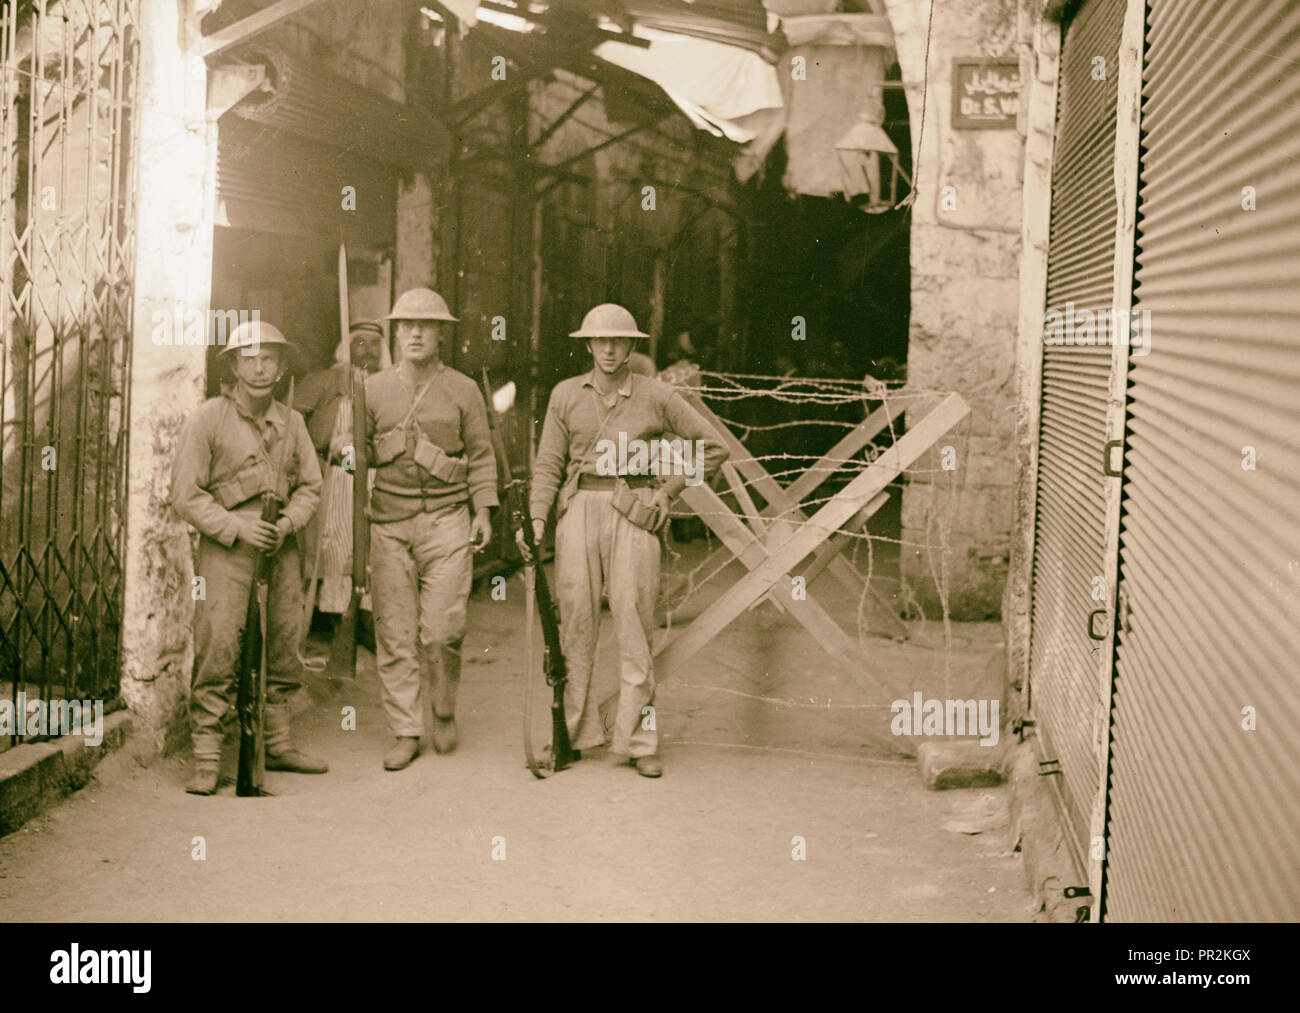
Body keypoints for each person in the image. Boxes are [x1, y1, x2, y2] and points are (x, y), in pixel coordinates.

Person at [520, 303, 728, 777]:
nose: (609, 348)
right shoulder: (566, 395)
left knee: (635, 625)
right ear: (588, 345)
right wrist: (537, 520)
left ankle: (640, 739)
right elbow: (549, 464)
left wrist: (667, 491)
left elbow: (714, 446)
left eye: (619, 340)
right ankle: (568, 735)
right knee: (574, 626)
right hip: (579, 513)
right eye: (600, 340)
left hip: (633, 510)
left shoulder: (657, 395)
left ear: (632, 345)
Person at [171, 320, 327, 795]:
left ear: (281, 368)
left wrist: (286, 526)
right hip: (228, 549)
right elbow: (186, 496)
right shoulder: (208, 419)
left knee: (282, 645)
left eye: (270, 359)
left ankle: (276, 743)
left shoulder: (293, 423)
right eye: (250, 359)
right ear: (234, 366)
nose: (260, 369)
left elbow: (311, 487)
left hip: (280, 548)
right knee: (219, 644)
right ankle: (206, 755)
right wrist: (238, 528)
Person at [363, 287, 498, 771]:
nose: (415, 333)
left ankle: (442, 709)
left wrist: (483, 511)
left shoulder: (463, 389)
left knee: (442, 629)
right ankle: (405, 729)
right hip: (390, 523)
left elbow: (481, 454)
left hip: (447, 520)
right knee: (395, 633)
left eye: (426, 325)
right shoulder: (371, 389)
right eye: (406, 325)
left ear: (442, 333)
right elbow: (350, 457)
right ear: (396, 333)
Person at [294, 321, 385, 629]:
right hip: (339, 475)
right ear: (346, 346)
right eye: (361, 342)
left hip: (376, 474)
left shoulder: (388, 385)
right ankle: (337, 619)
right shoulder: (324, 381)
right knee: (339, 544)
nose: (368, 349)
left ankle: (368, 618)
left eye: (375, 343)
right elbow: (292, 420)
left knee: (373, 543)